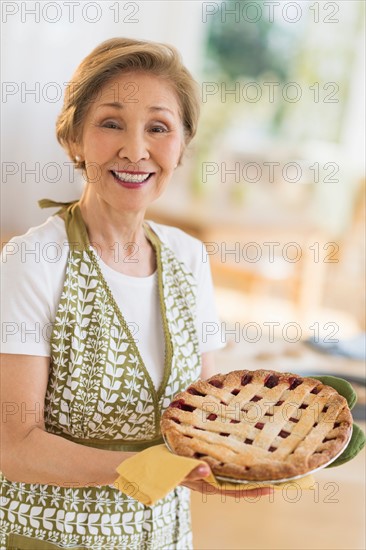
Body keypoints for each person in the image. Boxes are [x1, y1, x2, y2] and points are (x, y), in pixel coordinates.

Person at [0, 37, 271, 550]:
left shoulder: (188, 257)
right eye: (110, 123)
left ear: (182, 146)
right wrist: (154, 467)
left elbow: (207, 410)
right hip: (51, 538)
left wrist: (259, 440)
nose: (135, 149)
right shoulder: (33, 261)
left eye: (158, 127)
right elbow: (13, 446)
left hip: (166, 537)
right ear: (73, 138)